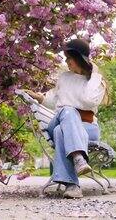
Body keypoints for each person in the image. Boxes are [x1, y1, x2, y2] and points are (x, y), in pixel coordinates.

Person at [24, 39, 106, 198]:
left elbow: (89, 100)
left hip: (87, 127)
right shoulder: (64, 77)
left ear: (79, 58)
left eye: (69, 57)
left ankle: (72, 186)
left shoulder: (96, 82)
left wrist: (95, 75)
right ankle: (78, 157)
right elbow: (53, 100)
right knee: (67, 112)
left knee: (61, 131)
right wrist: (37, 96)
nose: (66, 61)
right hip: (62, 117)